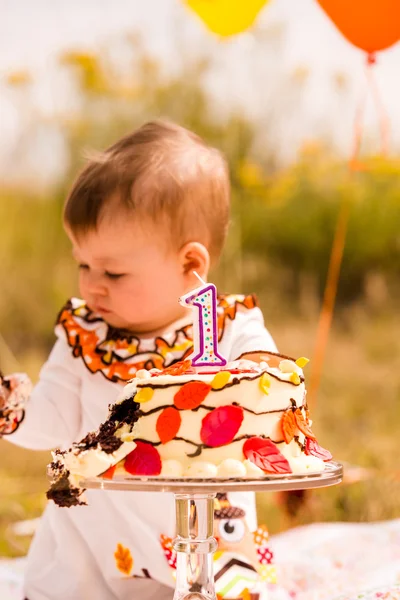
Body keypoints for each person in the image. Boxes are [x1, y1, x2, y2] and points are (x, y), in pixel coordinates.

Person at [0, 120, 277, 600]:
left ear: (191, 264)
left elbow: (266, 390)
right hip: (92, 536)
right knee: (64, 576)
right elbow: (56, 417)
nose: (90, 285)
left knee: (211, 581)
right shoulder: (85, 338)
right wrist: (14, 410)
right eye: (83, 264)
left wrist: (250, 376)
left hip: (196, 527)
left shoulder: (230, 328)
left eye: (113, 271)